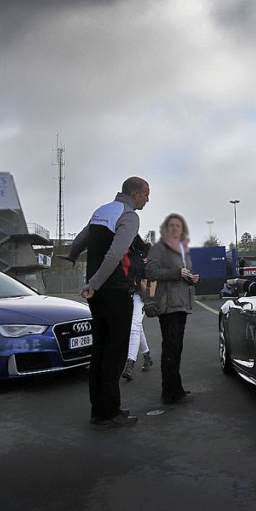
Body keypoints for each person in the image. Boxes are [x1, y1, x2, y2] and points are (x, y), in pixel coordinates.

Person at [73, 176, 149, 429]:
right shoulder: (129, 216)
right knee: (115, 353)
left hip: (97, 293)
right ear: (135, 194)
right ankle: (110, 412)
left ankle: (98, 408)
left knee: (100, 349)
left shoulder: (102, 211)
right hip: (114, 289)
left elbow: (82, 238)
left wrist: (73, 256)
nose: (148, 199)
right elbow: (116, 254)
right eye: (146, 194)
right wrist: (94, 284)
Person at [145, 213, 200, 406]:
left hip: (182, 304)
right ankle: (170, 393)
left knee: (177, 348)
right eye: (172, 226)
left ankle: (175, 388)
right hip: (168, 305)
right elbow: (150, 272)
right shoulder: (159, 248)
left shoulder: (182, 249)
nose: (175, 229)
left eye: (179, 226)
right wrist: (176, 273)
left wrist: (191, 278)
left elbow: (182, 274)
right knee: (171, 348)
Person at [122, 235, 153, 381]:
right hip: (127, 294)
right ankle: (147, 357)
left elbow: (152, 273)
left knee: (133, 327)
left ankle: (130, 363)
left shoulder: (145, 252)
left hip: (141, 294)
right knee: (137, 327)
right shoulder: (123, 252)